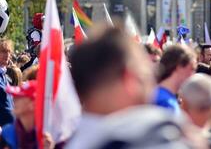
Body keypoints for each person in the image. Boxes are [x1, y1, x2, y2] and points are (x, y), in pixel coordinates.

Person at [67, 24, 200, 148]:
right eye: (146, 74)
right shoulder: (153, 138)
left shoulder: (69, 140)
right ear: (129, 78)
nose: (153, 82)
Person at [0, 81, 54, 149]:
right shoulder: (6, 133)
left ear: (33, 104)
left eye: (19, 97)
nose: (13, 99)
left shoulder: (48, 137)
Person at [154, 45, 197, 113]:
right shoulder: (164, 102)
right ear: (179, 67)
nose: (193, 74)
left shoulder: (160, 96)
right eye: (192, 69)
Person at [0, 38, 14, 127]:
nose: (7, 55)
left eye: (9, 52)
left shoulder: (5, 74)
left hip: (9, 127)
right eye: (4, 52)